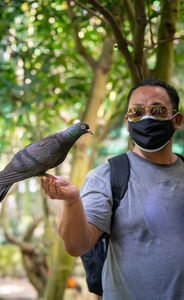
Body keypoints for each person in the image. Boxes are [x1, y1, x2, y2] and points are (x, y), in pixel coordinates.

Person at [41, 78, 184, 300]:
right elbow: (77, 245)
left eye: (157, 110)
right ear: (128, 122)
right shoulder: (107, 176)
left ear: (177, 120)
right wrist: (71, 201)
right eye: (137, 112)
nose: (146, 117)